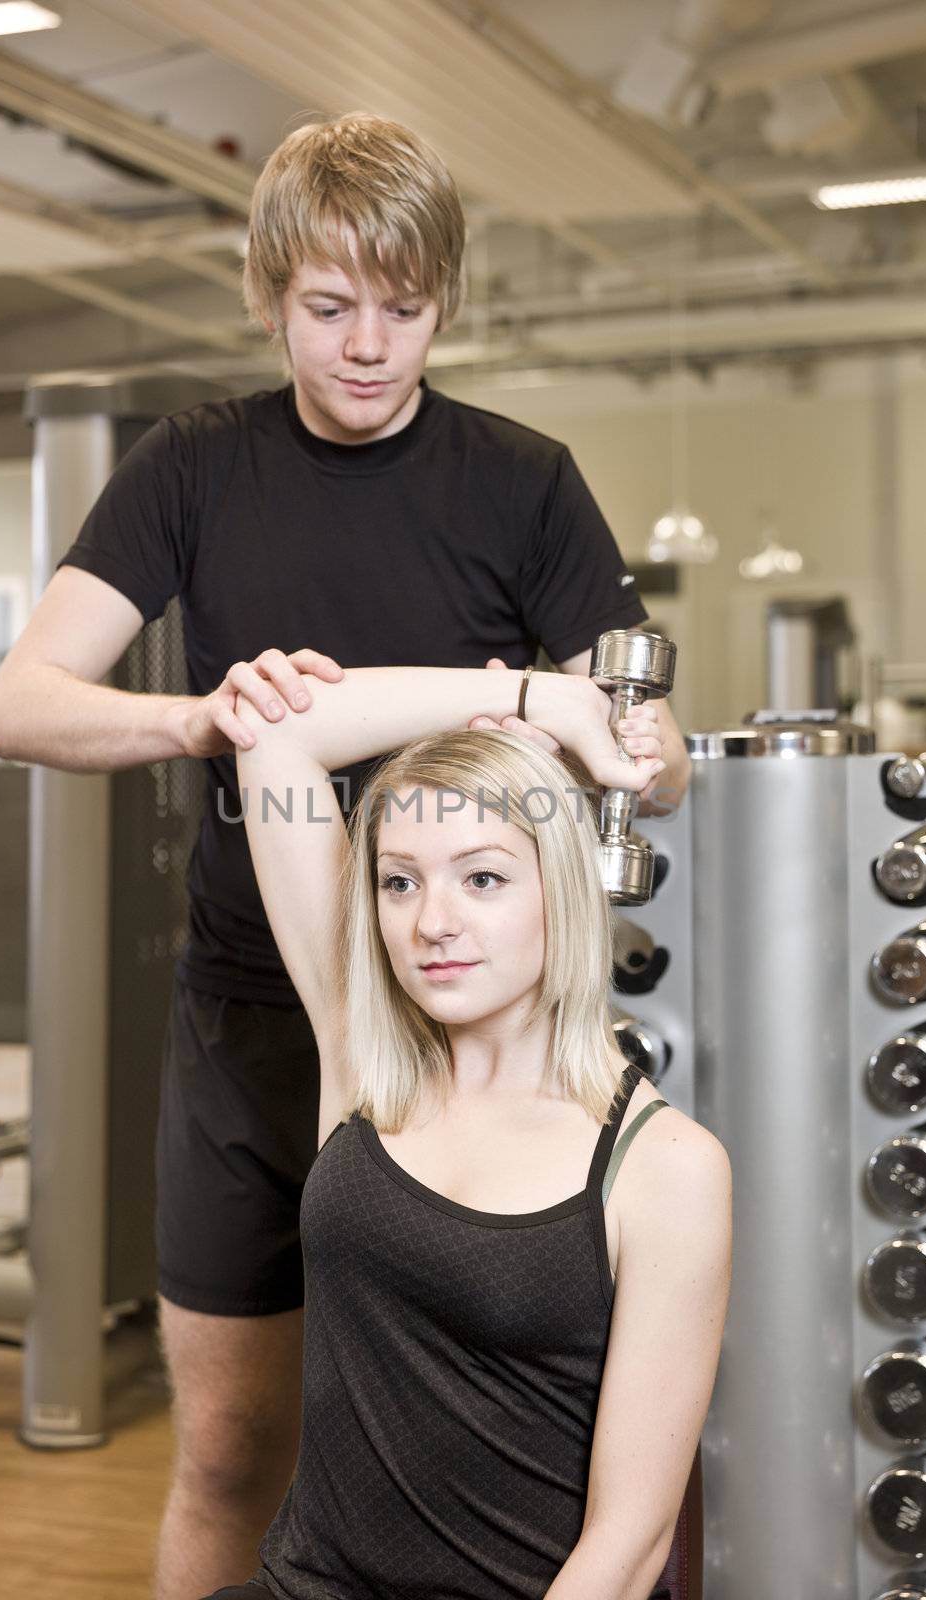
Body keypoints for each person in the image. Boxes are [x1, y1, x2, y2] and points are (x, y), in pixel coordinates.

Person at [0, 111, 693, 1599]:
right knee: (234, 1449)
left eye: (407, 307)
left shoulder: (522, 480)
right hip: (256, 1001)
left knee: (453, 1454)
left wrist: (637, 741)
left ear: (447, 298)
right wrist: (200, 716)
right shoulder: (195, 469)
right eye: (327, 308)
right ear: (266, 292)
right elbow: (23, 703)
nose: (370, 345)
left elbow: (649, 749)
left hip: (474, 1022)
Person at [199, 661, 731, 1599]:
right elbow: (273, 733)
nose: (431, 922)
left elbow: (629, 1545)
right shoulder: (366, 1065)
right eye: (398, 884)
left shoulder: (666, 1169)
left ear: (557, 888)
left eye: (482, 877)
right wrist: (543, 700)